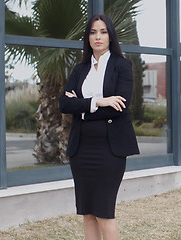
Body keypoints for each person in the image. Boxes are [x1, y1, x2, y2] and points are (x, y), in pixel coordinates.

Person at [59, 14, 139, 240]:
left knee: (104, 213)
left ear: (110, 36)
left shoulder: (122, 66)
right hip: (81, 150)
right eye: (93, 32)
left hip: (109, 151)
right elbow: (64, 104)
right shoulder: (80, 69)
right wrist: (99, 101)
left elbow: (119, 107)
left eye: (103, 31)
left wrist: (82, 107)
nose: (98, 37)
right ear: (87, 37)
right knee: (88, 214)